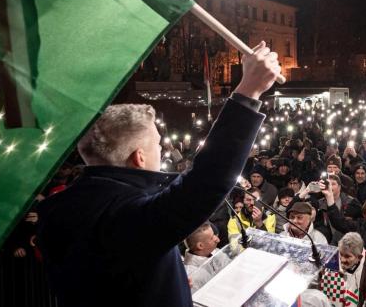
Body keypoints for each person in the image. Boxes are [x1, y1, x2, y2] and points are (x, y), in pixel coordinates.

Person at [36, 42, 280, 307]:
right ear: (139, 157)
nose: (163, 150)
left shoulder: (56, 208)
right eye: (158, 144)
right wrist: (249, 91)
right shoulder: (126, 215)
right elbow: (208, 180)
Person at [318, 232, 366, 307]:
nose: (342, 260)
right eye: (341, 254)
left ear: (359, 257)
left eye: (347, 256)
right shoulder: (330, 259)